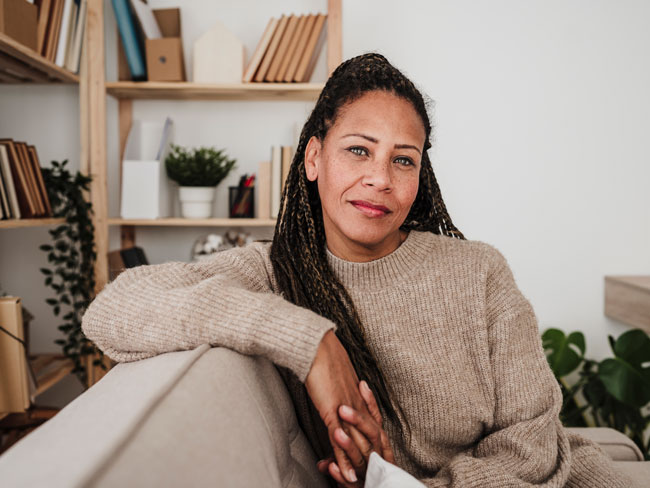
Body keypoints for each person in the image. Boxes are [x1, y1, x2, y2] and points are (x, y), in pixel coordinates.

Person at [81, 53, 633, 487]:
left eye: (403, 159)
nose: (380, 179)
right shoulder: (276, 273)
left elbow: (533, 439)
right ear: (314, 159)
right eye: (359, 151)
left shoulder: (478, 271)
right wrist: (312, 341)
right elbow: (112, 309)